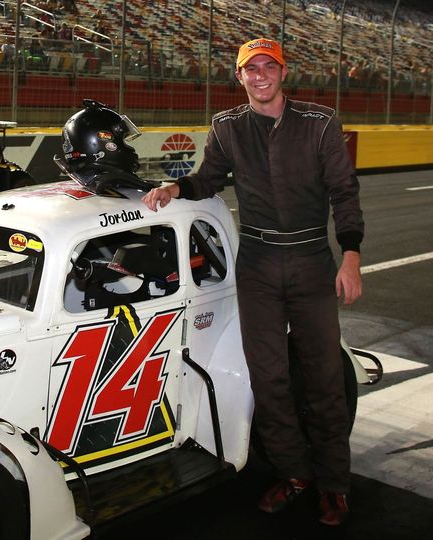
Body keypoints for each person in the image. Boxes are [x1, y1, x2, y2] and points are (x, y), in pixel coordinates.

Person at [141, 38, 363, 527]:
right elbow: (208, 179)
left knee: (325, 378)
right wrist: (176, 188)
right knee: (268, 379)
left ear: (283, 72)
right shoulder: (227, 126)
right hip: (258, 264)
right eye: (250, 69)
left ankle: (333, 485)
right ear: (238, 76)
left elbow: (345, 192)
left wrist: (350, 257)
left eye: (269, 67)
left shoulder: (320, 123)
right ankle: (295, 473)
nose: (260, 76)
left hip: (311, 260)